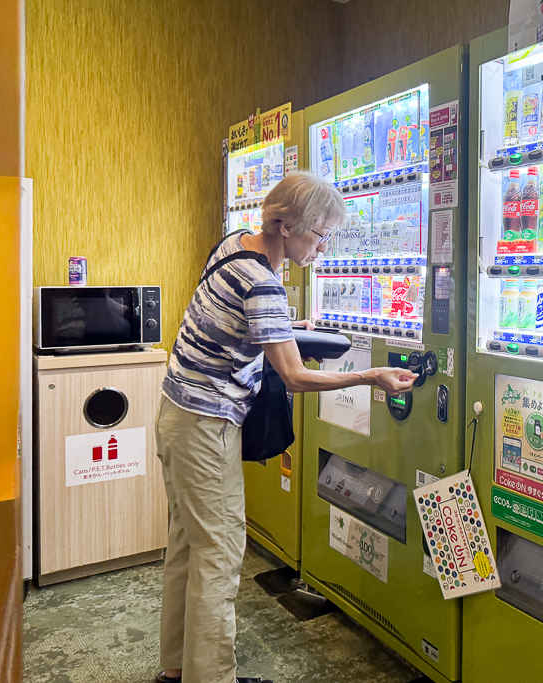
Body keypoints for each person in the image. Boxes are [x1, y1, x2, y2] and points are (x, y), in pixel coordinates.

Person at [154, 172, 417, 683]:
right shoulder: (264, 284)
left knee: (188, 544)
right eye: (320, 236)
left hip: (178, 413)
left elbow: (239, 321)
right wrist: (372, 376)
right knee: (221, 552)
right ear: (287, 225)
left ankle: (177, 669)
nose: (324, 247)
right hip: (205, 427)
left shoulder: (235, 245)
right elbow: (293, 376)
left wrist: (288, 330)